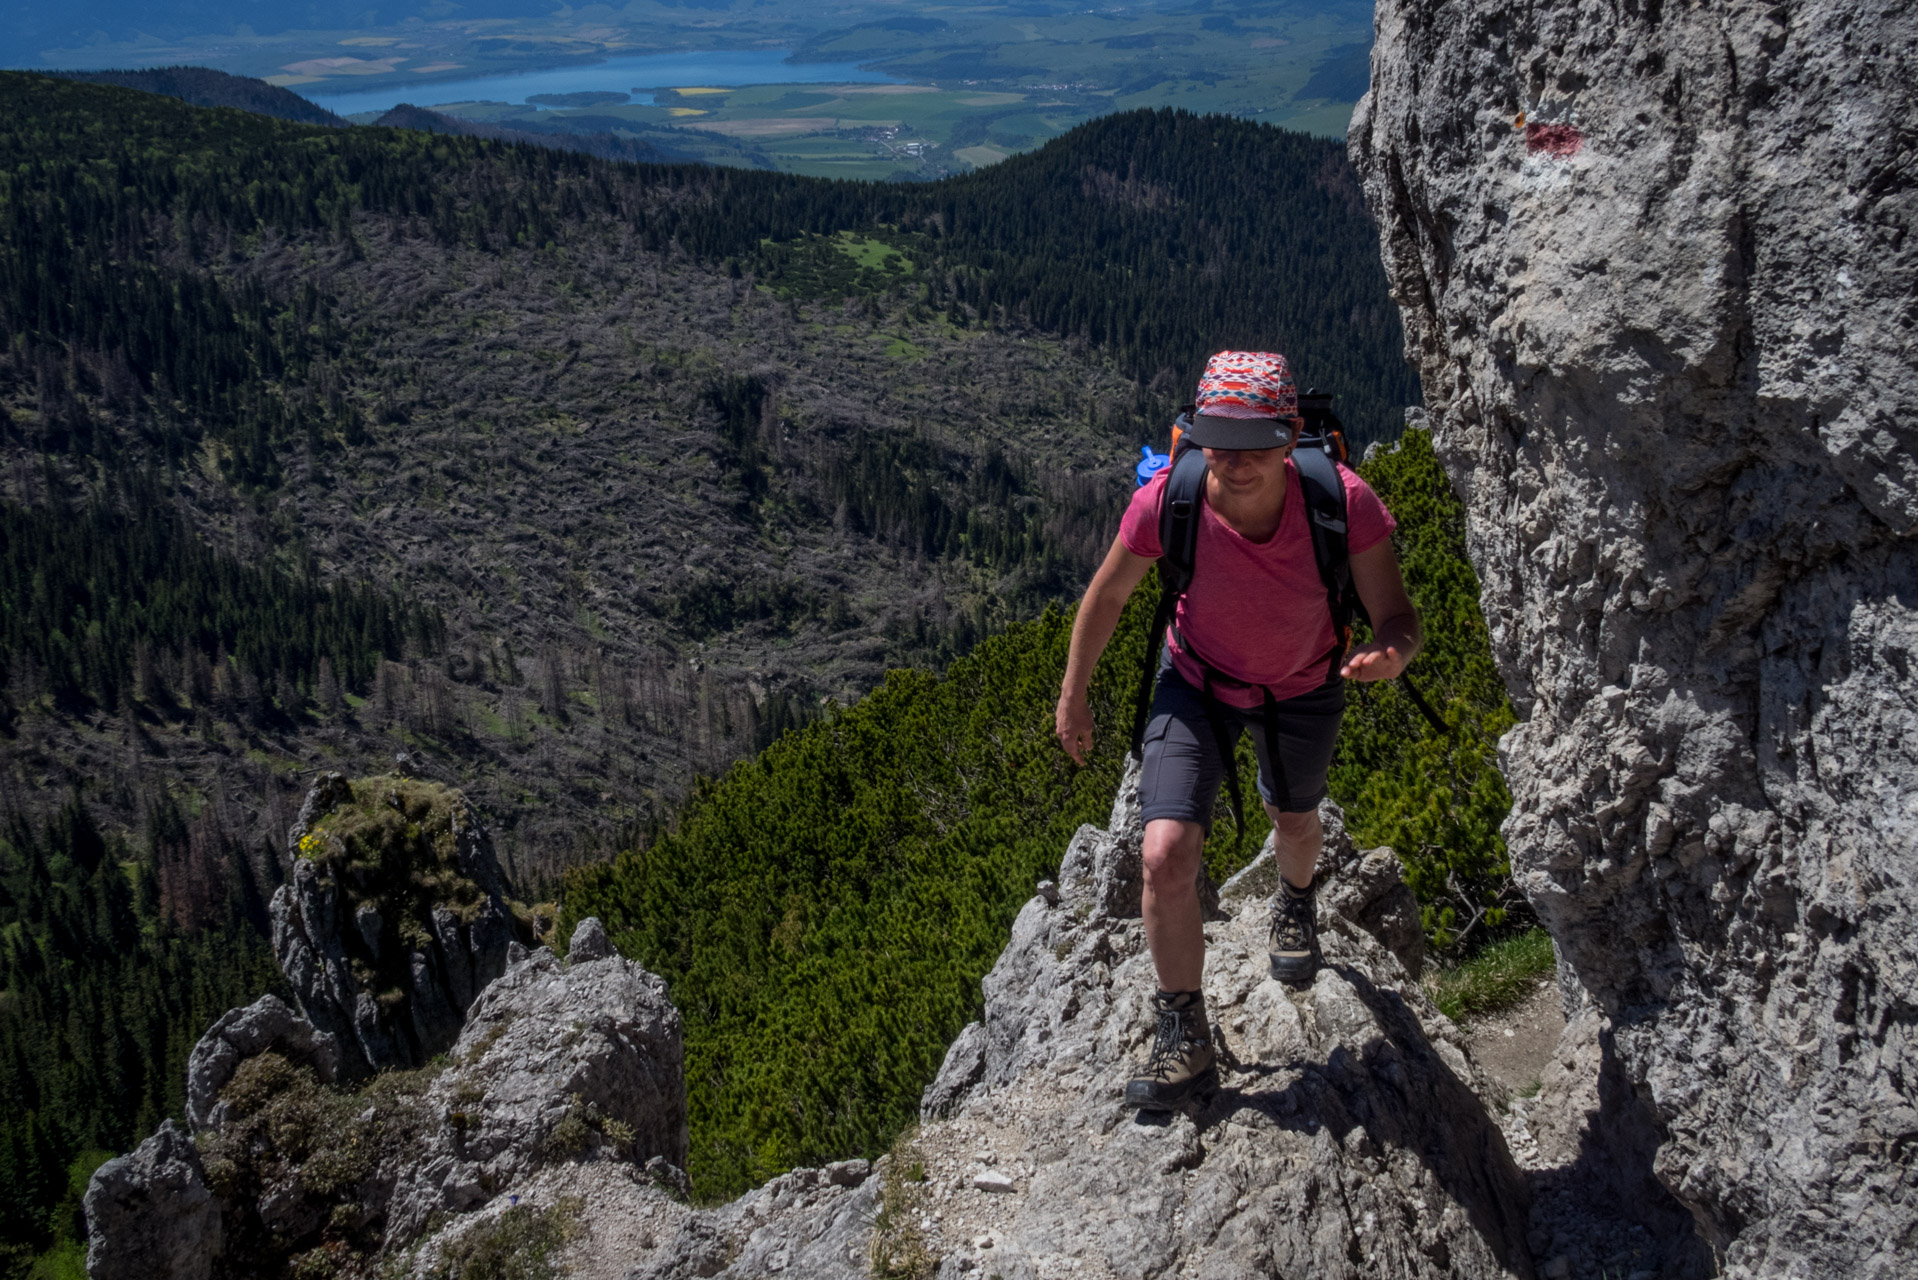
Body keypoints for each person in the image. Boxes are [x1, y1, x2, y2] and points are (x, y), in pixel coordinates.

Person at [1053, 350, 1422, 1109]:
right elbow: (1108, 596)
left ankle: (1295, 898)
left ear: (1292, 439)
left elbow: (1397, 616)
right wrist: (1073, 695)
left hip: (1304, 684)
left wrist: (1391, 655)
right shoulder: (1169, 500)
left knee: (1293, 818)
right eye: (1218, 441)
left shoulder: (1342, 500)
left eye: (1254, 444)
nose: (1234, 461)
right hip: (1195, 681)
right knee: (1163, 854)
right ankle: (1184, 1034)